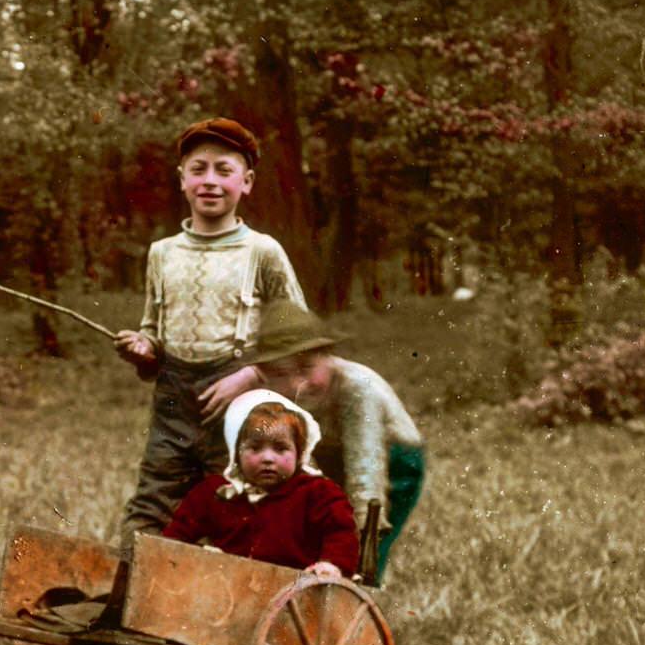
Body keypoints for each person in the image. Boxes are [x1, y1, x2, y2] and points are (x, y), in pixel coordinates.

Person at [115, 117, 306, 550]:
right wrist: (143, 348)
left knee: (235, 507)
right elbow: (153, 334)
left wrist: (250, 376)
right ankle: (126, 602)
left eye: (224, 170)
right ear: (182, 180)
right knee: (152, 505)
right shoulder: (161, 254)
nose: (210, 181)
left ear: (248, 182)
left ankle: (230, 611)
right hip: (172, 401)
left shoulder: (262, 251)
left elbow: (299, 337)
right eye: (198, 169)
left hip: (239, 406)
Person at [248, 300, 425, 578]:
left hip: (393, 458)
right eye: (281, 374)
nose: (296, 384)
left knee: (365, 545)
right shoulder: (275, 395)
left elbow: (366, 473)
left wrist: (355, 539)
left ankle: (361, 591)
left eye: (306, 368)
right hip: (333, 453)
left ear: (329, 358)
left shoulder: (357, 390)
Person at [163, 390, 359, 578]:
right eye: (255, 448)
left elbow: (340, 534)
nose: (267, 458)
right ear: (236, 452)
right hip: (226, 589)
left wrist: (331, 564)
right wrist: (189, 555)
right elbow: (177, 533)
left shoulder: (319, 493)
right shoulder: (216, 492)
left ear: (299, 454)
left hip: (293, 594)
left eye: (280, 448)